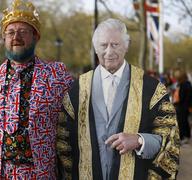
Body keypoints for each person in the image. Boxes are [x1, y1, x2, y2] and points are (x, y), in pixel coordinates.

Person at [56, 18, 180, 180]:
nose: (109, 52)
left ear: (126, 46)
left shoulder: (153, 90)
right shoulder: (77, 89)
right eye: (103, 45)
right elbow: (63, 144)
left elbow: (170, 141)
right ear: (95, 48)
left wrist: (140, 140)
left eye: (115, 44)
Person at [0, 0, 73, 179]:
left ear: (36, 37)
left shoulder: (56, 76)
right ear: (4, 39)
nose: (15, 36)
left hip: (37, 172)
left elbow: (75, 121)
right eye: (10, 32)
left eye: (23, 32)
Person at [173, 70, 191, 144]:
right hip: (184, 106)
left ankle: (183, 136)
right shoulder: (186, 84)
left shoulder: (184, 85)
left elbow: (183, 97)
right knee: (184, 121)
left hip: (182, 106)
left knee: (182, 121)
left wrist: (177, 102)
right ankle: (186, 136)